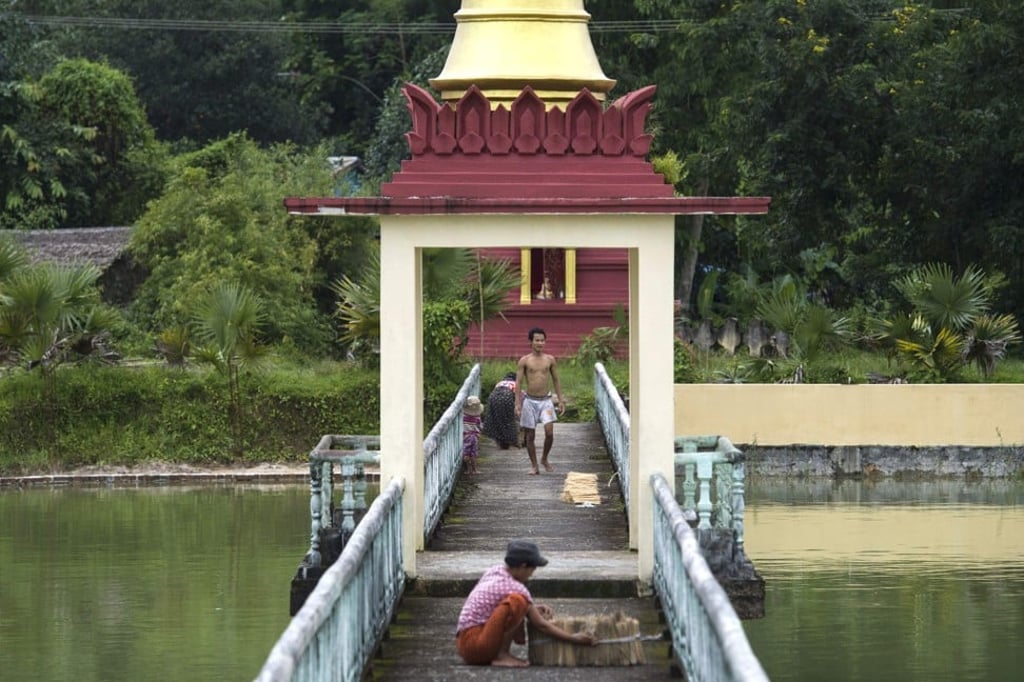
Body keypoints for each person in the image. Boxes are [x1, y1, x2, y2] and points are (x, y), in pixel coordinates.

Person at [455, 540, 596, 667]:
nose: (531, 574)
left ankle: (499, 653)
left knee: (521, 601)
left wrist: (532, 607)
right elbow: (542, 625)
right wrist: (573, 638)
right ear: (523, 566)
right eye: (532, 569)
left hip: (464, 644)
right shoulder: (516, 588)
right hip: (477, 646)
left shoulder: (495, 571)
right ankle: (502, 655)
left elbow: (495, 603)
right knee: (518, 601)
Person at [515, 327, 564, 474]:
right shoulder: (524, 360)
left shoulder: (550, 360)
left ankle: (544, 458)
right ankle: (534, 465)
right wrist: (517, 403)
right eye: (537, 340)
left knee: (549, 432)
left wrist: (560, 400)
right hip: (530, 401)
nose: (540, 343)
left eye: (542, 340)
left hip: (546, 401)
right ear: (531, 341)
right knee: (530, 435)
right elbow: (518, 382)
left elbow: (556, 380)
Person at [482, 372, 519, 450]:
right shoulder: (516, 384)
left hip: (493, 398)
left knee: (496, 419)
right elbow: (518, 398)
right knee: (508, 420)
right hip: (507, 398)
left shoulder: (499, 383)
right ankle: (511, 440)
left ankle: (499, 440)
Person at [463, 395, 483, 474]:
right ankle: (474, 470)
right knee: (473, 453)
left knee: (466, 453)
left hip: (466, 436)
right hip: (474, 436)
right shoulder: (477, 417)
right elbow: (479, 426)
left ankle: (467, 469)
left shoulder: (463, 416)